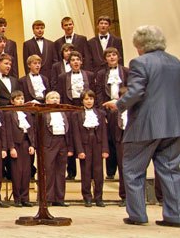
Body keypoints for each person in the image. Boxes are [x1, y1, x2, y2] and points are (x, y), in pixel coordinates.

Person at [103, 25, 180, 227]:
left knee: (132, 170)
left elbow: (136, 91)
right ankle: (174, 215)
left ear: (141, 45)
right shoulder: (175, 62)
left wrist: (118, 105)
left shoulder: (140, 62)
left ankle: (137, 214)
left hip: (145, 126)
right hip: (173, 126)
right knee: (171, 171)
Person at [95, 47, 128, 180]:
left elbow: (130, 89)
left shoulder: (126, 71)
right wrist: (102, 112)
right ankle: (110, 171)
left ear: (118, 56)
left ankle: (124, 171)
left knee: (121, 140)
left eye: (114, 54)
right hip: (107, 110)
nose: (112, 57)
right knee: (109, 140)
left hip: (123, 109)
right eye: (109, 55)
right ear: (105, 59)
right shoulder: (101, 74)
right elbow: (98, 93)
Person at [71, 90, 108, 207]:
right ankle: (87, 197)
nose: (89, 101)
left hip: (97, 144)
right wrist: (80, 150)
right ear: (82, 101)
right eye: (86, 99)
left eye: (91, 99)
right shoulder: (76, 114)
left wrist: (105, 149)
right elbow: (76, 134)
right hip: (85, 144)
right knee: (86, 172)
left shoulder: (100, 113)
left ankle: (99, 197)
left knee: (98, 172)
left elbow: (104, 133)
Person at [5, 90, 35, 207]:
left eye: (22, 98)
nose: (20, 101)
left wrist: (32, 145)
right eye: (17, 99)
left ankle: (25, 198)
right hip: (16, 144)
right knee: (17, 172)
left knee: (26, 172)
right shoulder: (9, 114)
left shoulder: (27, 113)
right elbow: (8, 131)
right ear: (12, 101)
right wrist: (11, 147)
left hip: (26, 143)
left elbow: (31, 130)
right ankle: (17, 198)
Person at [43, 91, 73, 206]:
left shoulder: (64, 113)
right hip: (49, 144)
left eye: (57, 97)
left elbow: (69, 131)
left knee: (61, 172)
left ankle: (59, 198)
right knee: (49, 171)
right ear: (47, 101)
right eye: (52, 98)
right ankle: (48, 198)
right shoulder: (43, 113)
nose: (55, 99)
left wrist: (69, 147)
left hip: (62, 143)